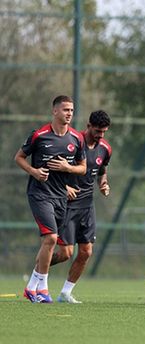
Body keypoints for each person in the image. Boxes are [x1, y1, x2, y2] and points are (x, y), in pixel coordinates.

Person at [15, 95, 87, 303]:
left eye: (72, 110)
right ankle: (43, 289)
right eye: (65, 110)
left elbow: (83, 168)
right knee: (51, 239)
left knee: (57, 247)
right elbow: (19, 157)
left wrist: (67, 168)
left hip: (60, 197)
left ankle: (31, 288)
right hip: (39, 194)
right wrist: (34, 172)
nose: (69, 113)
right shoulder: (39, 135)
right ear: (54, 111)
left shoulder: (76, 138)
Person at [48, 110, 112, 303]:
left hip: (87, 206)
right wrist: (64, 187)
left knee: (86, 252)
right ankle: (38, 270)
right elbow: (51, 168)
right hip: (66, 204)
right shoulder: (73, 142)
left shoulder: (105, 148)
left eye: (104, 132)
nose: (101, 135)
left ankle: (66, 293)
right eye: (98, 131)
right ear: (88, 125)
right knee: (66, 253)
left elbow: (102, 171)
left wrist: (104, 183)